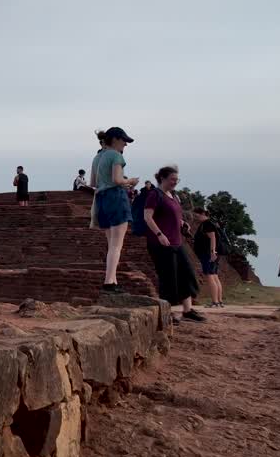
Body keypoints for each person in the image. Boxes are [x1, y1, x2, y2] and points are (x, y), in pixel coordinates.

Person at [142, 165, 204, 323]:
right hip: (161, 242)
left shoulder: (172, 195)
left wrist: (182, 222)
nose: (175, 182)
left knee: (186, 274)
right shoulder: (155, 195)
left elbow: (174, 214)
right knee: (168, 277)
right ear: (162, 178)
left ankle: (187, 310)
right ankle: (166, 313)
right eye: (172, 179)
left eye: (177, 180)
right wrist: (159, 234)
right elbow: (148, 217)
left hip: (176, 241)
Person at [91, 128, 139, 293]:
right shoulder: (117, 156)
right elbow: (117, 180)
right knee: (116, 245)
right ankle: (109, 282)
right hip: (116, 197)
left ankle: (113, 280)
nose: (125, 144)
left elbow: (92, 182)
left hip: (102, 199)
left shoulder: (98, 157)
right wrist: (130, 181)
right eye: (124, 140)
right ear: (116, 139)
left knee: (111, 244)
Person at [192, 206, 225, 307]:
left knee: (210, 276)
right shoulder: (209, 223)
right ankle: (219, 301)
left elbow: (212, 238)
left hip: (208, 254)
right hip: (210, 253)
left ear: (202, 213)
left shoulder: (207, 224)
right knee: (214, 276)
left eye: (196, 215)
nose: (195, 217)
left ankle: (215, 302)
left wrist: (212, 252)